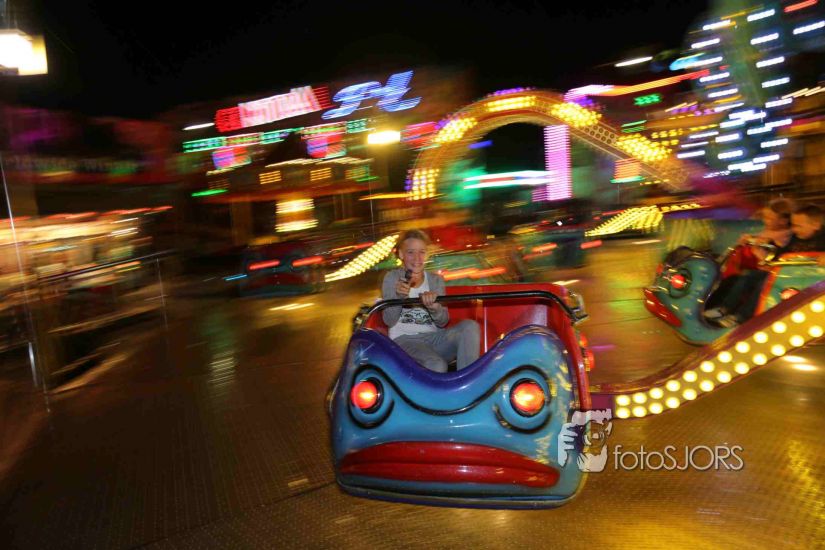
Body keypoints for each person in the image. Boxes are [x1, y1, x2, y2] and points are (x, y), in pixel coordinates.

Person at [382, 229, 481, 373]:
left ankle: (467, 382)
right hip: (405, 340)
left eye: (422, 252)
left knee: (470, 326)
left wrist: (434, 308)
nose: (417, 258)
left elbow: (443, 322)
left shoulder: (435, 280)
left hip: (434, 339)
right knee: (437, 365)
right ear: (401, 254)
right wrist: (398, 297)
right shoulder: (392, 278)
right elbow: (389, 321)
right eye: (410, 252)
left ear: (427, 254)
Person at [711, 203, 824, 327]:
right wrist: (763, 246)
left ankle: (741, 317)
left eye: (799, 226)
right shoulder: (795, 238)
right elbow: (781, 254)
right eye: (793, 225)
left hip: (807, 278)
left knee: (764, 283)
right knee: (748, 275)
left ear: (816, 225)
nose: (795, 229)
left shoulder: (822, 238)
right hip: (788, 274)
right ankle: (724, 308)